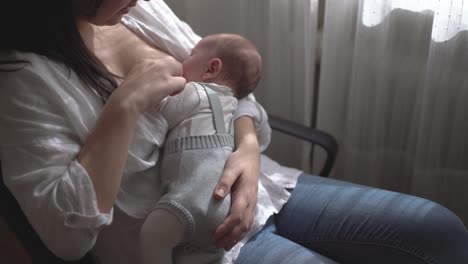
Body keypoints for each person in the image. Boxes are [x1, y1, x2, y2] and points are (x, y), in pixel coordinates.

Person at [0, 1, 467, 264]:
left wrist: (247, 150)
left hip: (265, 189)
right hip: (192, 238)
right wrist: (123, 106)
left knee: (439, 229)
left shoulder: (139, 13)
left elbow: (234, 92)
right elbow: (65, 235)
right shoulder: (22, 79)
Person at [140, 33, 263, 264]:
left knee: (153, 238)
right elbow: (261, 127)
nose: (185, 59)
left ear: (211, 68)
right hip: (222, 208)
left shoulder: (194, 92)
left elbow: (159, 115)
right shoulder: (235, 106)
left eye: (191, 55)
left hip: (186, 198)